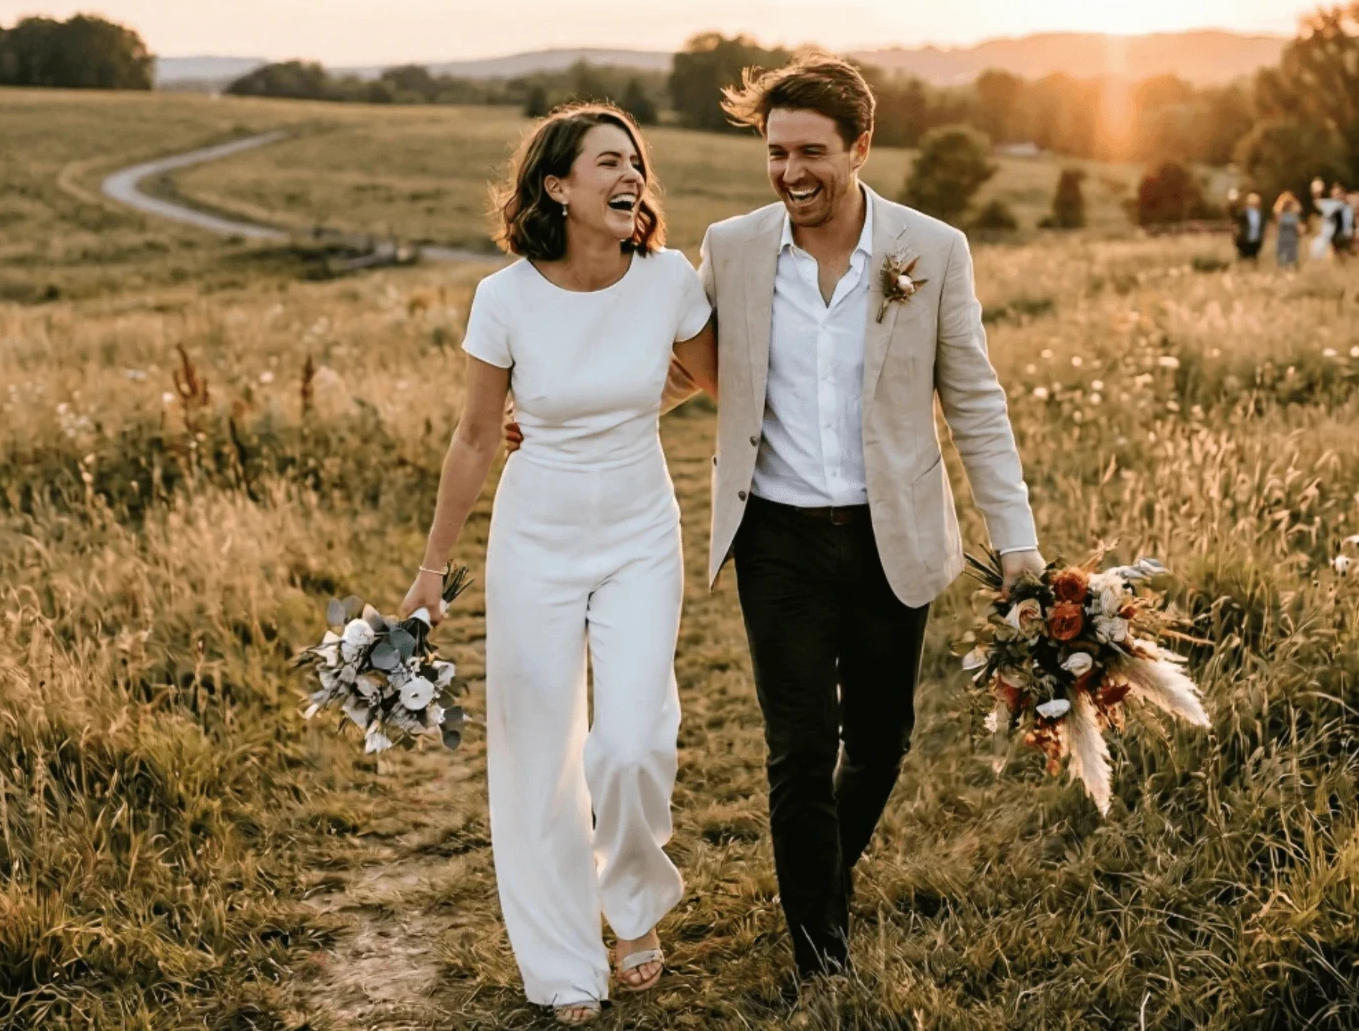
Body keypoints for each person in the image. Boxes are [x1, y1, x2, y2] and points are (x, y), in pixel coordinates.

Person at [674, 54, 1041, 985]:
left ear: (861, 147)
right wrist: (560, 411)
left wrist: (1020, 545)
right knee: (800, 750)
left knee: (879, 743)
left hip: (895, 533)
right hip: (779, 537)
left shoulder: (933, 249)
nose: (791, 172)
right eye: (775, 152)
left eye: (811, 152)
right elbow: (682, 366)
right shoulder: (734, 246)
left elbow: (976, 402)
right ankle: (819, 955)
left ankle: (823, 883)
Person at [405, 103, 718, 1025]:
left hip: (639, 535)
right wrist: (433, 570)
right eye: (609, 163)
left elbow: (711, 382)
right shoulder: (504, 298)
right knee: (538, 749)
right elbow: (472, 440)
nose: (631, 177)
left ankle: (633, 906)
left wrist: (614, 414)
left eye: (637, 163)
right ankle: (563, 962)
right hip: (533, 538)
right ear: (558, 187)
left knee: (629, 745)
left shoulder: (668, 281)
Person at [1233, 192, 1265, 262]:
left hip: (1256, 241)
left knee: (1253, 259)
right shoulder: (1242, 214)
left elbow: (1262, 227)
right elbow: (1235, 220)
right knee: (1243, 259)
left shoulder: (1261, 215)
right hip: (1244, 241)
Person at [1273, 191, 1302, 268]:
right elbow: (1276, 210)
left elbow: (1299, 209)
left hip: (1292, 240)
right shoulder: (1280, 215)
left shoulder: (1294, 215)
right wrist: (1282, 200)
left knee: (1291, 261)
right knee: (1282, 261)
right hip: (1283, 239)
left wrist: (1293, 201)